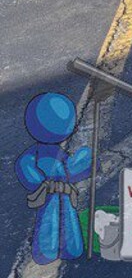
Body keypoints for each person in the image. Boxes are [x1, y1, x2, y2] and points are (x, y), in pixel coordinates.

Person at [16, 93, 92, 265]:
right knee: (50, 219)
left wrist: (84, 158)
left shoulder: (54, 155)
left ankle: (68, 248)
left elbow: (71, 166)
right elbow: (27, 166)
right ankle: (50, 250)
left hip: (60, 193)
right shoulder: (39, 154)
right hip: (52, 194)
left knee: (66, 219)